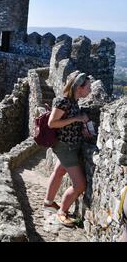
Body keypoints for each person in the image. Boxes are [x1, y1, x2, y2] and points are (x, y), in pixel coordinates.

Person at [44, 71, 93, 227]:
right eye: (88, 87)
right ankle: (62, 212)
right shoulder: (63, 101)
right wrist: (77, 119)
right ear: (79, 87)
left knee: (59, 172)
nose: (90, 90)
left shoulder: (74, 102)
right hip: (66, 147)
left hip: (70, 145)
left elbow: (68, 123)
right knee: (80, 185)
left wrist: (81, 129)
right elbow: (52, 123)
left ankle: (48, 202)